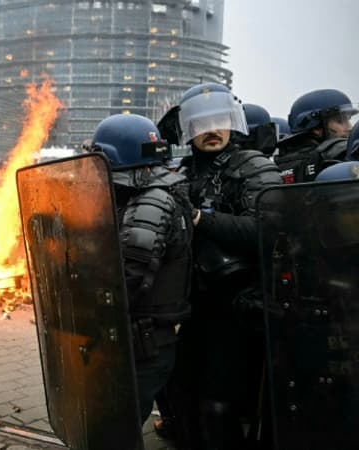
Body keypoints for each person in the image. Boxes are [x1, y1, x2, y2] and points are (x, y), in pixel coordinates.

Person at [167, 83, 282, 448]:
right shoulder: (179, 173)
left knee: (219, 405)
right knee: (177, 395)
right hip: (188, 306)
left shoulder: (253, 167)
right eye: (201, 124)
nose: (211, 130)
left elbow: (270, 228)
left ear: (233, 122)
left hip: (235, 306)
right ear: (188, 130)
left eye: (218, 121)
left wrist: (202, 219)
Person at [93, 114, 194, 425]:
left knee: (115, 426)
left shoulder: (151, 202)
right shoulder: (151, 193)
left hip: (143, 340)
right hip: (146, 335)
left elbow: (129, 278)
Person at [275, 89, 358, 183]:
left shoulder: (280, 162)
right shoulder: (340, 151)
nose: (350, 127)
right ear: (317, 128)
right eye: (339, 121)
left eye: (348, 119)